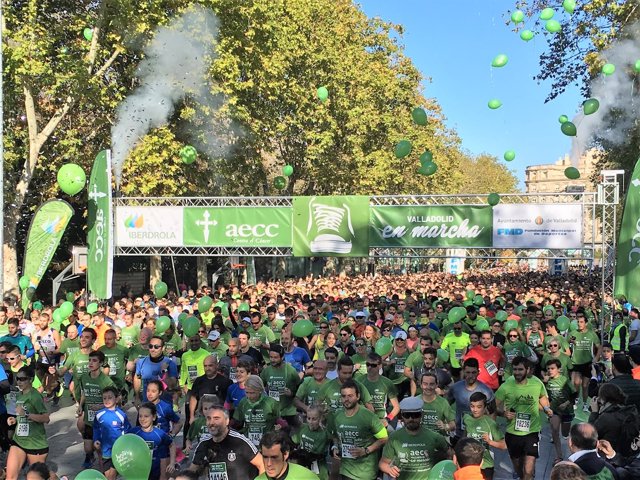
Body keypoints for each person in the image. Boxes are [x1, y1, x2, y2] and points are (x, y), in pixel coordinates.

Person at [495, 356, 553, 480]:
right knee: (518, 467)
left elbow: (542, 396)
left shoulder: (537, 383)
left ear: (527, 370)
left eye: (520, 369)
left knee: (528, 470)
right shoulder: (506, 386)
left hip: (532, 431)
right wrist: (503, 413)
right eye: (515, 369)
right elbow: (493, 406)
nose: (517, 373)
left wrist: (547, 408)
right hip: (512, 432)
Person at [379, 396, 449, 479]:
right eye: (407, 415)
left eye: (415, 415)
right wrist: (389, 469)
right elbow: (383, 463)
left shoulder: (434, 437)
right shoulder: (394, 437)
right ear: (402, 416)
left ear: (421, 415)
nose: (411, 419)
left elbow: (451, 455)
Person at [330, 379, 388, 480]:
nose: (346, 399)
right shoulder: (337, 415)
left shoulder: (368, 416)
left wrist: (365, 451)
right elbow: (335, 434)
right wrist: (335, 447)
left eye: (350, 396)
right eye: (343, 396)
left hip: (365, 472)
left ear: (358, 396)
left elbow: (384, 438)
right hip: (346, 470)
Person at [189, 404, 265, 478]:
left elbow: (262, 464)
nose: (211, 423)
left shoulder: (239, 441)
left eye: (216, 419)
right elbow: (192, 471)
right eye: (209, 418)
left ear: (227, 421)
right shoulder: (204, 443)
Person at [5, 366, 50, 480]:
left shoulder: (35, 397)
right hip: (19, 441)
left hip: (35, 443)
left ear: (30, 379)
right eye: (18, 379)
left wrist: (26, 414)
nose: (19, 382)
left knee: (37, 478)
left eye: (22, 379)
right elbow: (21, 416)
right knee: (10, 477)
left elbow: (46, 418)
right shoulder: (20, 395)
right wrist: (15, 420)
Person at [78, 350, 115, 468]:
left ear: (101, 363)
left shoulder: (106, 380)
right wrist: (80, 405)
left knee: (99, 447)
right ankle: (90, 456)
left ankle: (104, 468)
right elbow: (84, 392)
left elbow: (116, 399)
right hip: (89, 418)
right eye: (89, 360)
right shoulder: (84, 377)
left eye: (94, 360)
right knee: (88, 448)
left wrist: (101, 406)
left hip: (102, 419)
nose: (91, 363)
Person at [462, 392, 505, 479]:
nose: (475, 410)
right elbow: (464, 437)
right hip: (469, 464)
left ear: (485, 407)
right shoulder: (466, 418)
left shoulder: (490, 424)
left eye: (479, 407)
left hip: (486, 465)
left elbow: (504, 446)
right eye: (472, 406)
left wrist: (490, 442)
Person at [448, 358, 494, 439]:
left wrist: (489, 431)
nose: (471, 376)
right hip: (459, 433)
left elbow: (492, 413)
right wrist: (450, 423)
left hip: (478, 435)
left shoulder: (486, 391)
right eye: (468, 372)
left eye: (474, 372)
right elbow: (446, 406)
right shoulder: (455, 388)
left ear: (478, 372)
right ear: (463, 372)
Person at [588, 383, 638, 457]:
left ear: (603, 399)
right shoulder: (630, 412)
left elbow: (589, 435)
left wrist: (594, 412)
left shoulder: (607, 418)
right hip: (623, 456)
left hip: (604, 455)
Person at [130, 402, 175, 480]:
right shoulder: (133, 433)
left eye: (146, 416)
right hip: (137, 473)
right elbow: (123, 444)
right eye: (140, 416)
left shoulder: (160, 434)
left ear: (154, 417)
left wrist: (172, 463)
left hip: (156, 473)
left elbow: (172, 445)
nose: (142, 419)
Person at [93, 386, 131, 480]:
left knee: (111, 476)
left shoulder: (121, 415)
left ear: (117, 398)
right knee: (107, 475)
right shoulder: (99, 414)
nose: (107, 400)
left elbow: (127, 430)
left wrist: (125, 445)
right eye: (104, 398)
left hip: (118, 450)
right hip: (105, 450)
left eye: (110, 397)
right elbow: (96, 428)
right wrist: (96, 439)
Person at [544, 358, 577, 464]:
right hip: (554, 411)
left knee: (565, 434)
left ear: (559, 369)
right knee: (554, 432)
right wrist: (547, 407)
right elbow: (545, 396)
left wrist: (566, 403)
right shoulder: (547, 381)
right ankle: (559, 456)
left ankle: (572, 454)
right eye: (548, 369)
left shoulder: (565, 380)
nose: (550, 370)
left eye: (552, 368)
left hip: (567, 411)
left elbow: (575, 394)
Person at [260, 344, 301, 428]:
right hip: (272, 412)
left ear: (282, 357)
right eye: (271, 357)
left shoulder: (290, 370)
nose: (272, 360)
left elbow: (300, 389)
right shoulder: (266, 371)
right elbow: (261, 388)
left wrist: (291, 393)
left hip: (288, 412)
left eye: (275, 357)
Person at [233, 375, 281, 447]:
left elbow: (280, 421)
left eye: (252, 393)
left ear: (260, 390)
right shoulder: (243, 402)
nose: (249, 396)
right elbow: (237, 422)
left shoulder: (271, 403)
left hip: (268, 442)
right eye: (247, 392)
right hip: (249, 443)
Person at [254, 430, 319, 480]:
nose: (269, 463)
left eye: (274, 457)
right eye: (265, 457)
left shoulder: (307, 477)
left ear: (285, 454)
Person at [569, 315, 601, 412]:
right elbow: (566, 345)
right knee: (576, 382)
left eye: (581, 322)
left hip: (587, 362)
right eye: (578, 322)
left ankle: (585, 404)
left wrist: (596, 357)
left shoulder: (592, 334)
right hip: (575, 362)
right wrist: (570, 342)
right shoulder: (573, 333)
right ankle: (576, 399)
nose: (579, 324)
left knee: (585, 385)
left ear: (586, 323)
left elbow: (599, 346)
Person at [133, 336, 178, 404]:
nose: (153, 349)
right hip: (147, 404)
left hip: (164, 405)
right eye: (150, 346)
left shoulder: (170, 363)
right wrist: (137, 397)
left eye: (156, 347)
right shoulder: (141, 362)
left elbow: (172, 386)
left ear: (162, 348)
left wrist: (164, 371)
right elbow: (137, 378)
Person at [291, 405, 330, 480]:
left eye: (314, 419)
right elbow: (294, 441)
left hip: (319, 469)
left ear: (320, 419)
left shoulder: (325, 433)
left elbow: (335, 437)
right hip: (303, 466)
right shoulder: (303, 428)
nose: (311, 422)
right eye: (309, 418)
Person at [361, 352, 400, 428]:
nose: (369, 367)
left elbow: (396, 407)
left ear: (380, 366)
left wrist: (387, 419)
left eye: (373, 365)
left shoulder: (387, 383)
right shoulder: (359, 381)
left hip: (381, 421)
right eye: (368, 364)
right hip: (363, 421)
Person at [420, 372, 456, 437]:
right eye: (425, 384)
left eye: (431, 384)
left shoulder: (443, 402)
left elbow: (453, 424)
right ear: (421, 385)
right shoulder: (415, 401)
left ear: (436, 385)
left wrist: (445, 426)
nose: (428, 387)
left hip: (438, 440)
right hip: (420, 439)